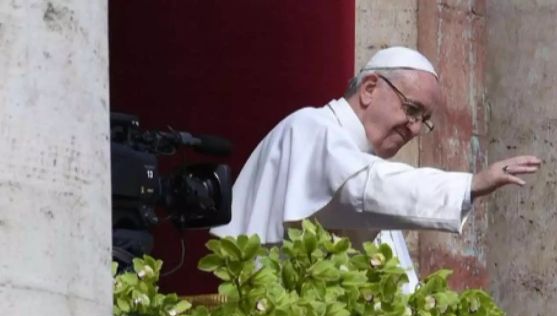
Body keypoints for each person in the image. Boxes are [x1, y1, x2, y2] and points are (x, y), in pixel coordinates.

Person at [210, 46, 540, 291]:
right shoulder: (310, 129)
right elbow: (360, 188)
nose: (413, 128)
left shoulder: (368, 167)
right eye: (412, 109)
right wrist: (470, 184)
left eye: (423, 120)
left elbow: (399, 283)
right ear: (369, 89)